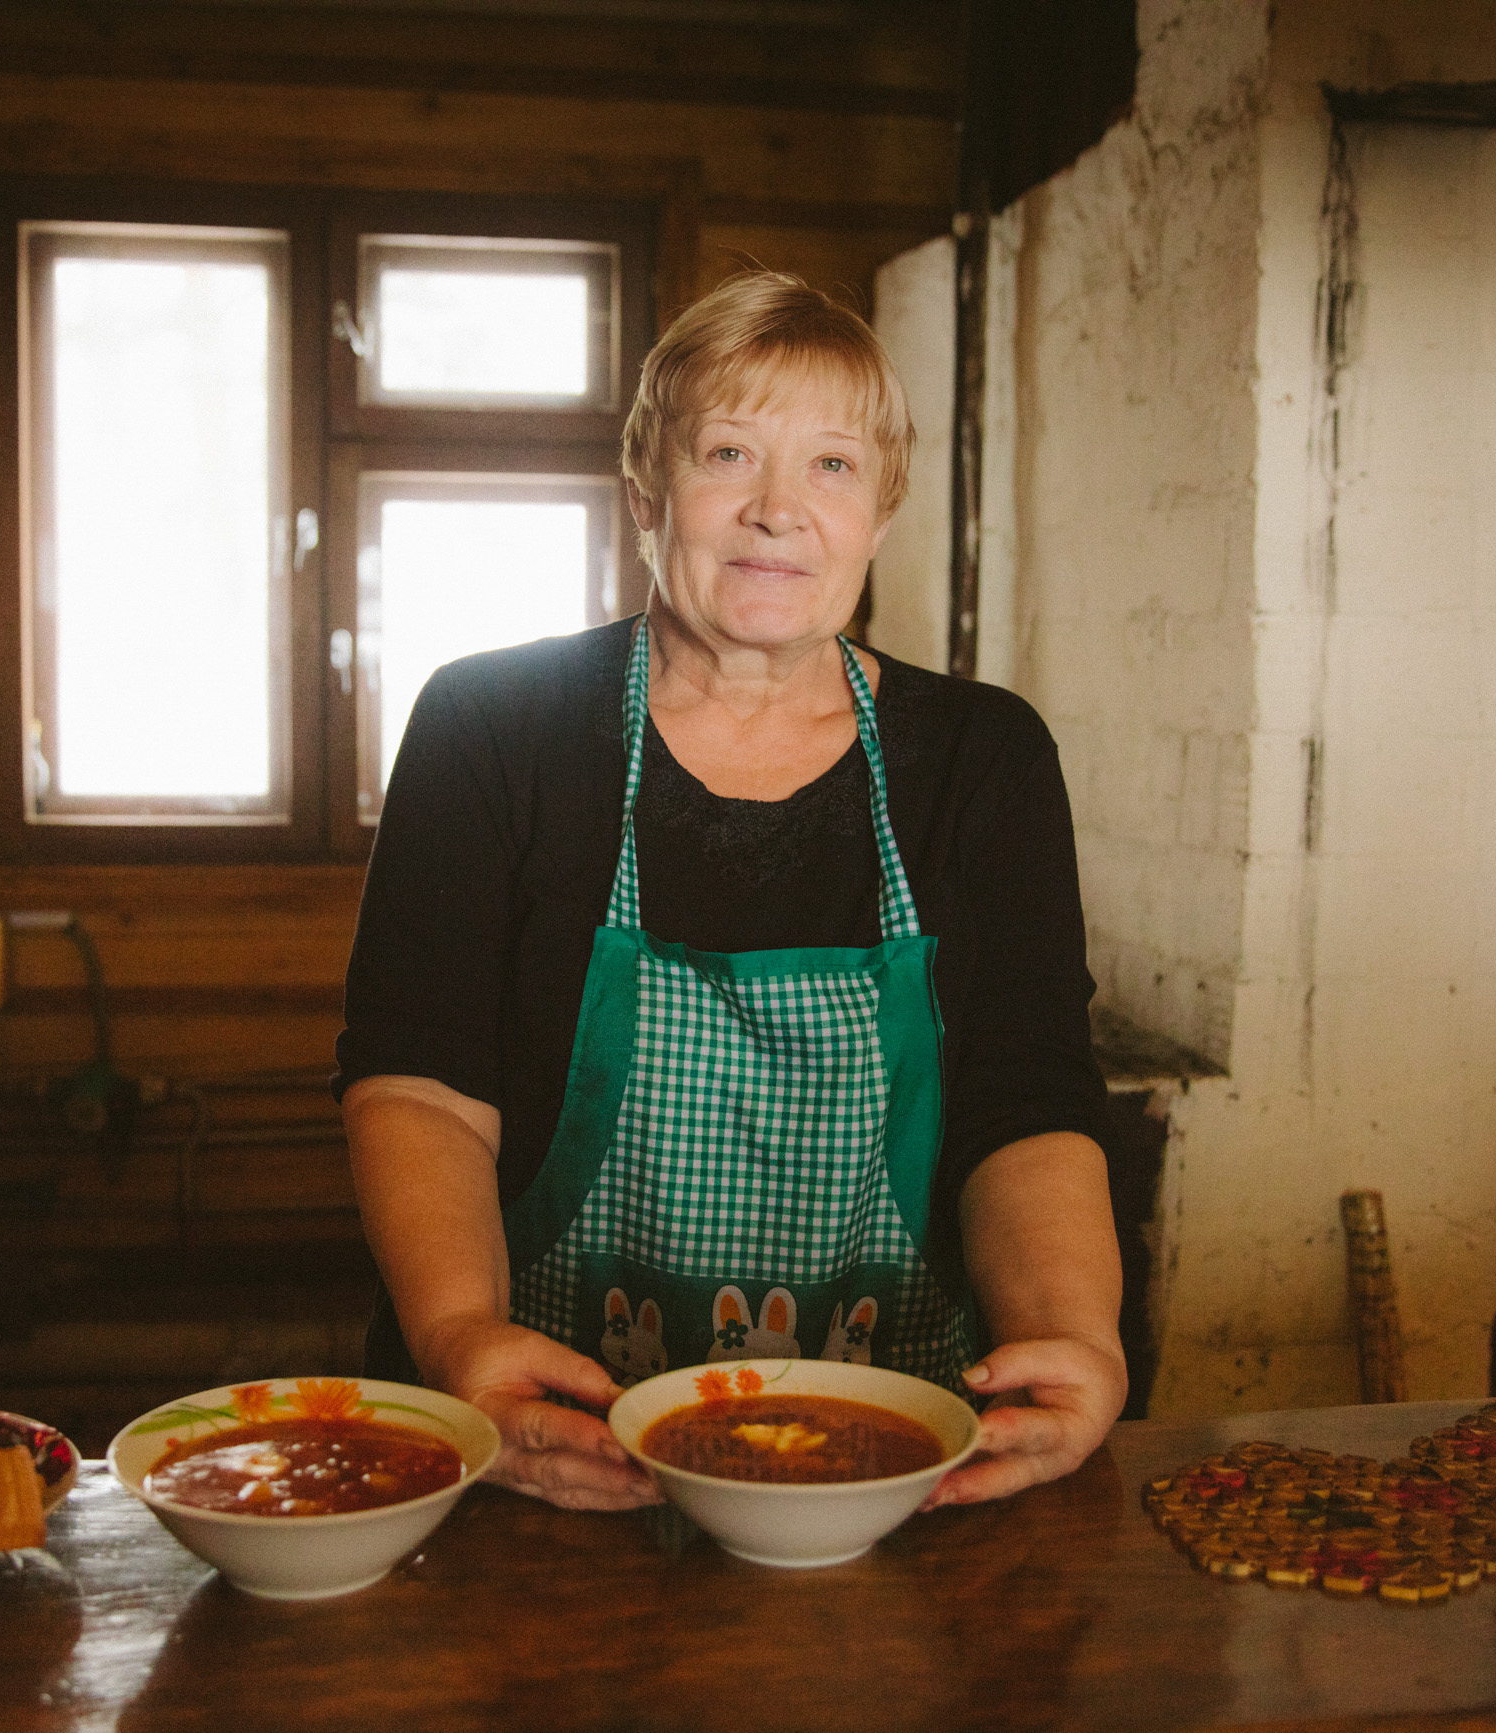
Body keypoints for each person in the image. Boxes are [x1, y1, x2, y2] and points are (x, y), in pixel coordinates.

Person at [336, 271, 1125, 1511]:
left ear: (880, 510)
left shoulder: (984, 758)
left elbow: (1024, 1099)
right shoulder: (491, 726)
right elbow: (420, 1082)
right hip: (551, 1436)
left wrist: (1077, 1339)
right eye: (728, 453)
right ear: (646, 494)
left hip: (895, 1460)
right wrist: (456, 1336)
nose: (777, 510)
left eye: (831, 466)